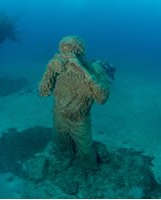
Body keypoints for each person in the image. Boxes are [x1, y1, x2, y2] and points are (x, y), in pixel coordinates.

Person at [38, 36, 109, 170]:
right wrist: (48, 70)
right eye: (63, 50)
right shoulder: (58, 67)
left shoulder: (94, 68)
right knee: (60, 143)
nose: (67, 53)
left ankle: (90, 169)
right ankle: (67, 158)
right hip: (58, 115)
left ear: (80, 51)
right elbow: (43, 93)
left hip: (79, 119)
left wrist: (82, 70)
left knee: (86, 150)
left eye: (72, 49)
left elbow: (102, 98)